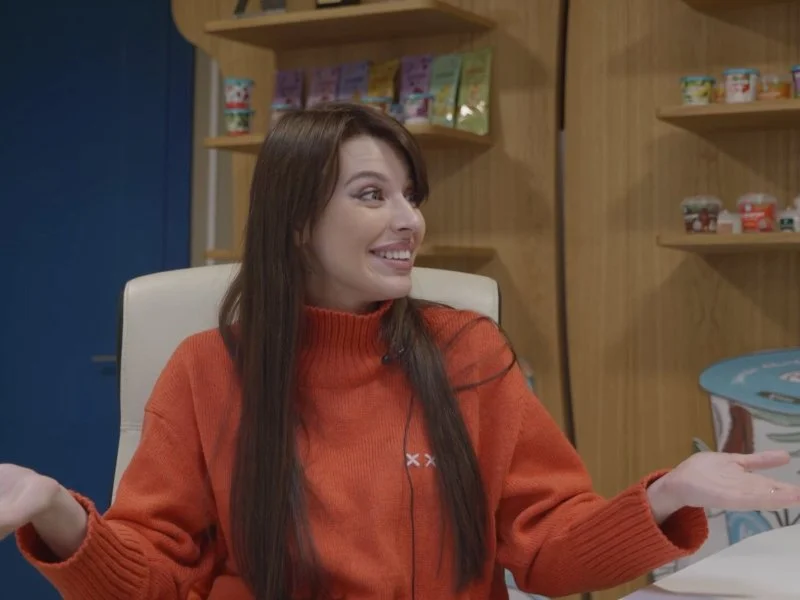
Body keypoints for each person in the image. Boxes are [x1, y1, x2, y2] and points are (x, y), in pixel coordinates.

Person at [1, 103, 799, 600]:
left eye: (410, 195)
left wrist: (667, 495)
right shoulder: (205, 371)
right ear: (296, 223)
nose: (409, 220)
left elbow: (550, 552)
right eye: (371, 195)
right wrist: (55, 510)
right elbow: (155, 579)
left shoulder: (467, 352)